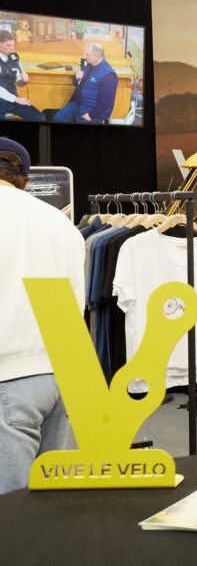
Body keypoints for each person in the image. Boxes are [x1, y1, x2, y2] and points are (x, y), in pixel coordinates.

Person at [0, 137, 85, 493]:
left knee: (10, 507)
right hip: (61, 372)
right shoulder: (59, 221)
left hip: (8, 373)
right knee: (44, 501)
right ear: (25, 179)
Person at [52, 42, 118, 124]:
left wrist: (91, 115)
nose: (84, 57)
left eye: (87, 55)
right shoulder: (88, 65)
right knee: (58, 118)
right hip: (76, 103)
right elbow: (77, 84)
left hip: (89, 111)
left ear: (97, 56)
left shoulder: (108, 75)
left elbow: (107, 104)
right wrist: (76, 78)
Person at [0, 30, 45, 122]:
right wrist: (16, 99)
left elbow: (18, 82)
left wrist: (23, 81)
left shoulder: (14, 58)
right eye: (8, 45)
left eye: (13, 45)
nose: (12, 48)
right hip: (8, 100)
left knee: (39, 118)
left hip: (13, 101)